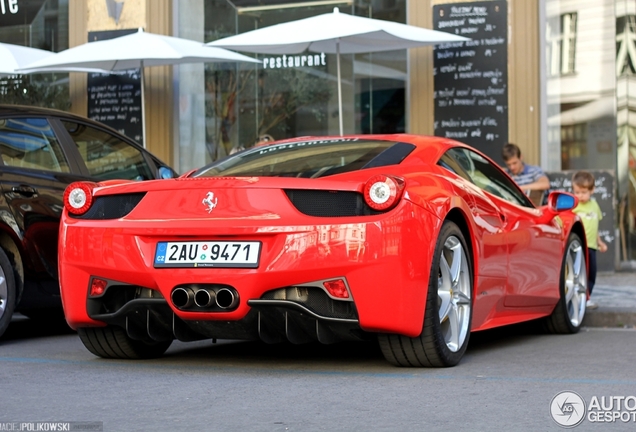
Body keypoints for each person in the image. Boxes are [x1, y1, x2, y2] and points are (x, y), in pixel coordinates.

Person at [571, 171, 608, 310]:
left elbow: (595, 226)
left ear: (592, 190)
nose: (580, 195)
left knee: (592, 274)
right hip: (578, 246)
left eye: (583, 192)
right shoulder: (574, 207)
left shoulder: (594, 206)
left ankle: (587, 298)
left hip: (592, 246)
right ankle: (580, 298)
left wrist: (600, 242)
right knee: (580, 274)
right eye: (577, 192)